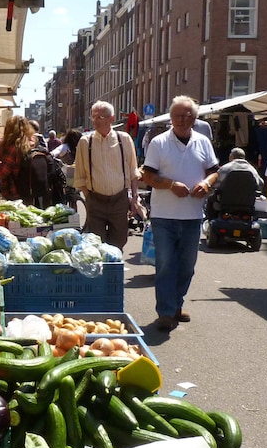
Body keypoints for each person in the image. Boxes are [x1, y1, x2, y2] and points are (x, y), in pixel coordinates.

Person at [141, 96, 220, 332]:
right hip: (164, 215)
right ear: (170, 118)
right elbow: (147, 175)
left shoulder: (203, 142)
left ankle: (176, 304)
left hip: (193, 215)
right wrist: (170, 184)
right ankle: (165, 312)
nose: (182, 120)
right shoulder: (159, 142)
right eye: (177, 115)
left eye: (187, 116)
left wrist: (207, 183)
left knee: (187, 265)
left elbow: (215, 170)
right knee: (165, 264)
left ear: (194, 119)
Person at [73, 101, 145, 250]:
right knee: (96, 244)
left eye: (100, 117)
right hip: (96, 200)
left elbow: (133, 172)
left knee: (118, 243)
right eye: (93, 117)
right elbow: (79, 176)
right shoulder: (85, 142)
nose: (96, 121)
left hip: (119, 200)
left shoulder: (123, 139)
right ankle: (102, 273)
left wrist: (134, 198)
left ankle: (114, 271)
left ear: (111, 119)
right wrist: (90, 198)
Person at [0, 115, 41, 204]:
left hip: (15, 194)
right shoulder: (32, 145)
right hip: (31, 192)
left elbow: (2, 173)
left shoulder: (14, 147)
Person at [205, 147, 264, 220]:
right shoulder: (253, 170)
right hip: (247, 206)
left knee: (210, 198)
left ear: (231, 157)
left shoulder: (225, 168)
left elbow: (215, 185)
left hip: (225, 204)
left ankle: (210, 222)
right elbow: (260, 184)